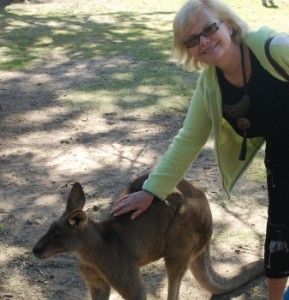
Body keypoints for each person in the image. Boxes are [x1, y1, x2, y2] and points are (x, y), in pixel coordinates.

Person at [111, 0, 289, 299]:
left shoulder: (273, 49)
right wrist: (153, 189)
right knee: (280, 230)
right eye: (193, 39)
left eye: (209, 29)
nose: (204, 41)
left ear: (228, 25)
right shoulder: (211, 85)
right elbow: (188, 140)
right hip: (282, 152)